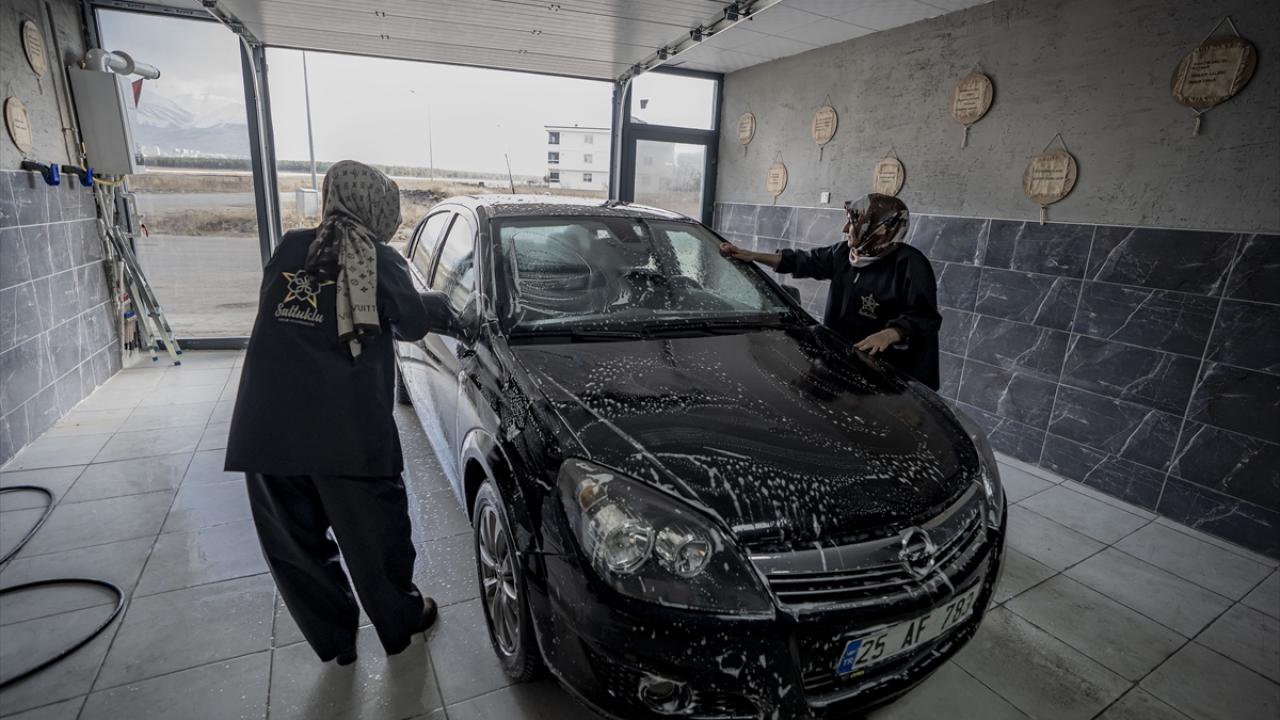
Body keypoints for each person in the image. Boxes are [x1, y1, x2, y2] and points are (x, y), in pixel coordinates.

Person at [225, 160, 438, 666]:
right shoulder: (380, 260)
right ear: (378, 207)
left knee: (297, 549)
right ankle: (400, 622)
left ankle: (337, 642)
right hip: (347, 433)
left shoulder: (290, 248)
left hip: (267, 430)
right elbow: (412, 324)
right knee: (377, 540)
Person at [720, 193, 942, 389]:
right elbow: (802, 261)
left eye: (852, 223)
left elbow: (925, 316)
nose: (845, 229)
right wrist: (752, 255)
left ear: (879, 229)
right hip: (847, 362)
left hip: (893, 377)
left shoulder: (910, 264)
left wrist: (890, 334)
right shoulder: (845, 253)